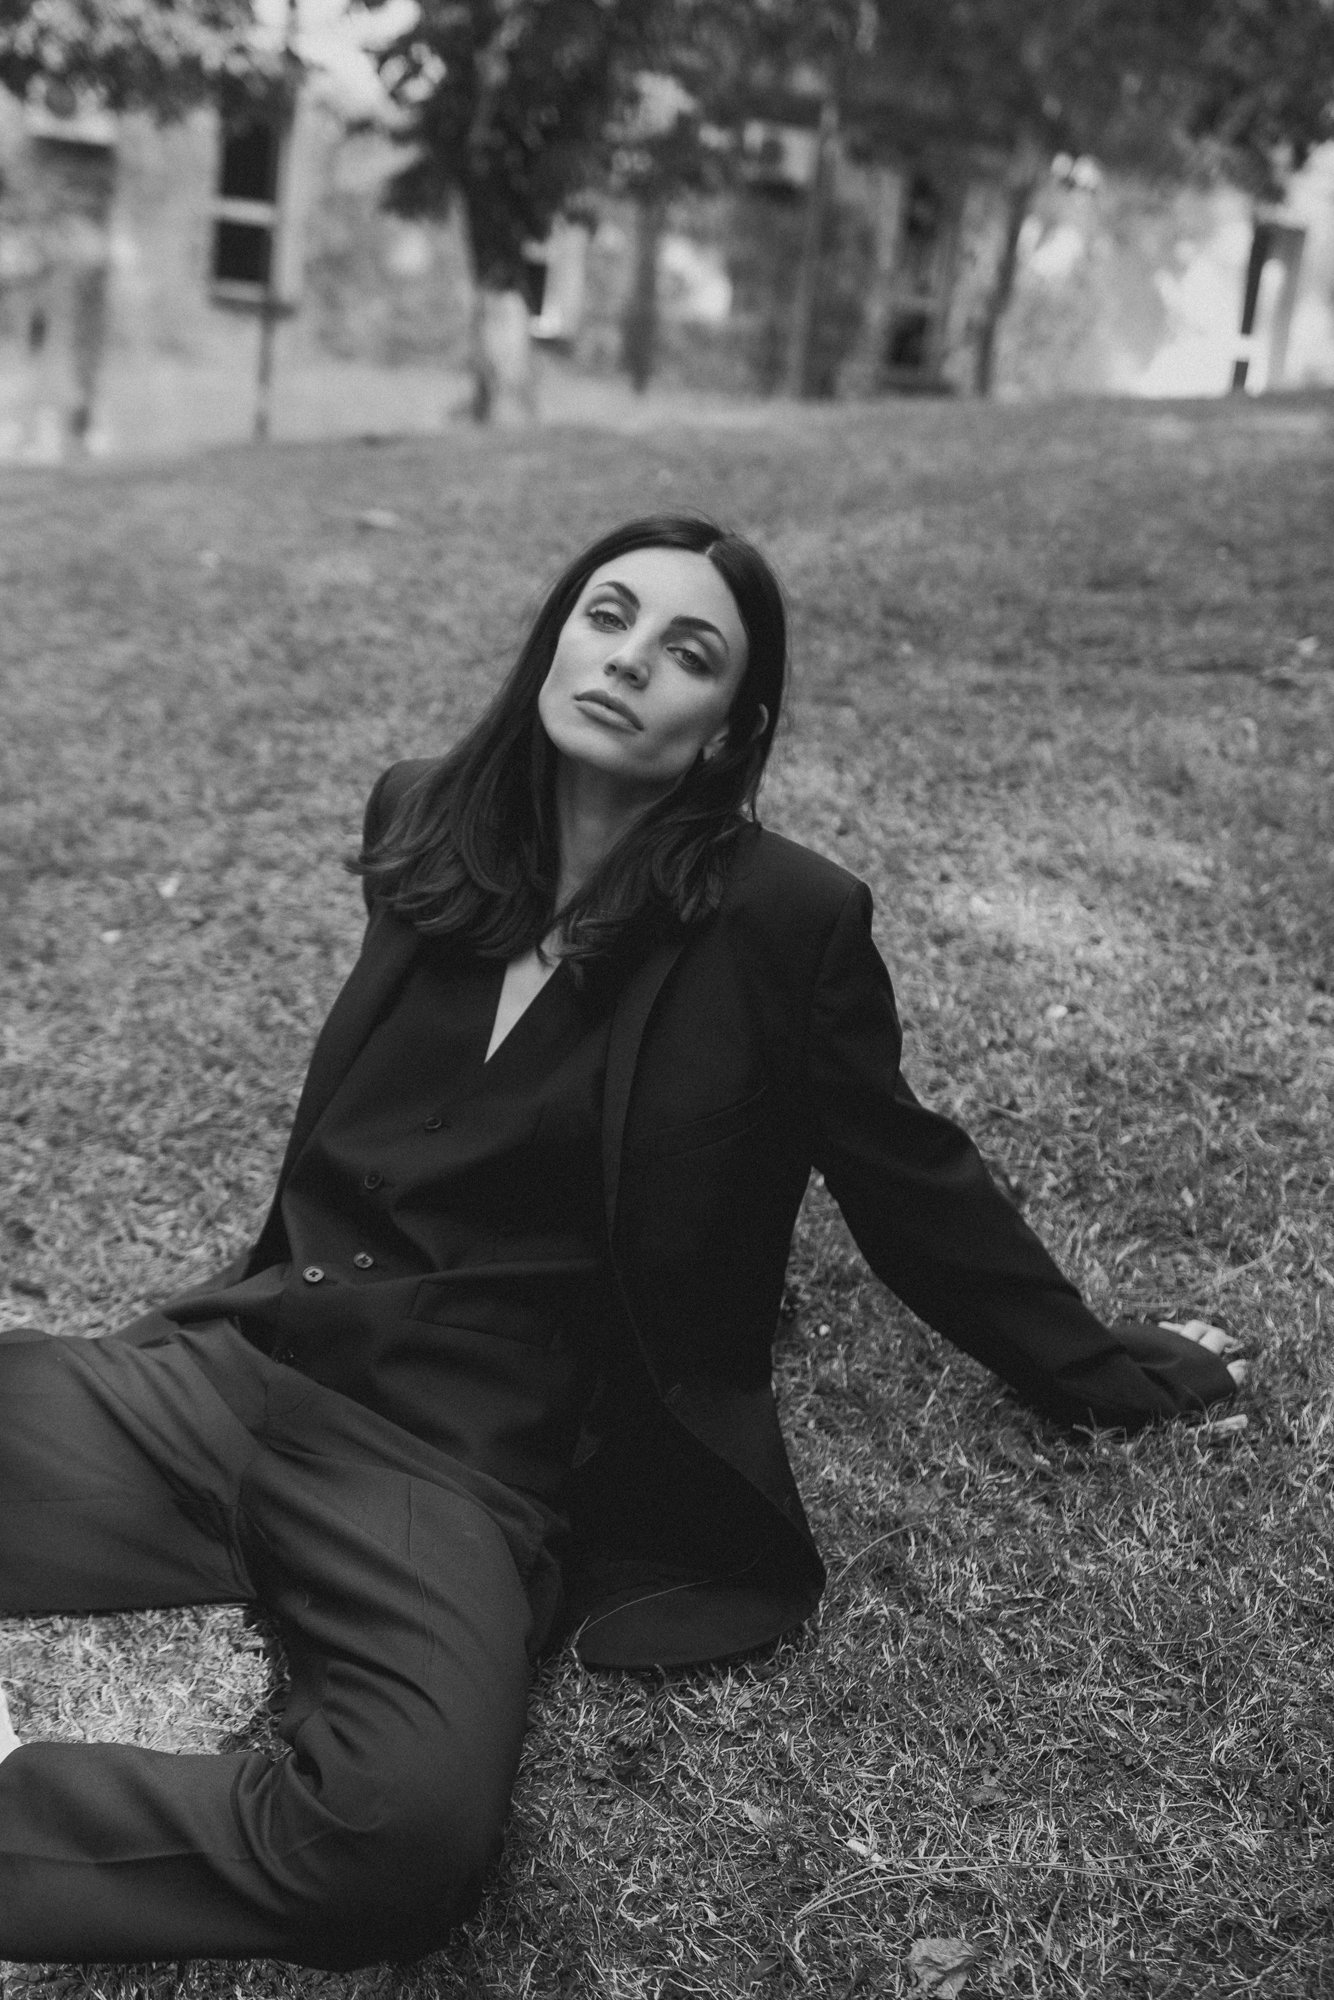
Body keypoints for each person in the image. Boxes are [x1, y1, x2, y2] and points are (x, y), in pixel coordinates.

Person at [0, 515, 1243, 1971]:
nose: (630, 659)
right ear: (555, 639)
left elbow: (910, 1180)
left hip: (449, 1468)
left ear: (729, 732)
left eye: (687, 652)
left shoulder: (785, 925)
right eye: (608, 616)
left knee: (395, 1838)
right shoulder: (426, 823)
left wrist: (1103, 1371)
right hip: (239, 1372)